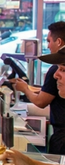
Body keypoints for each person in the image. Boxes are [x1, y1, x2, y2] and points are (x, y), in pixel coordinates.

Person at [10, 23, 65, 155]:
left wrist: (25, 89)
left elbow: (41, 101)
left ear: (58, 41)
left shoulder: (52, 70)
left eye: (62, 69)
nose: (56, 74)